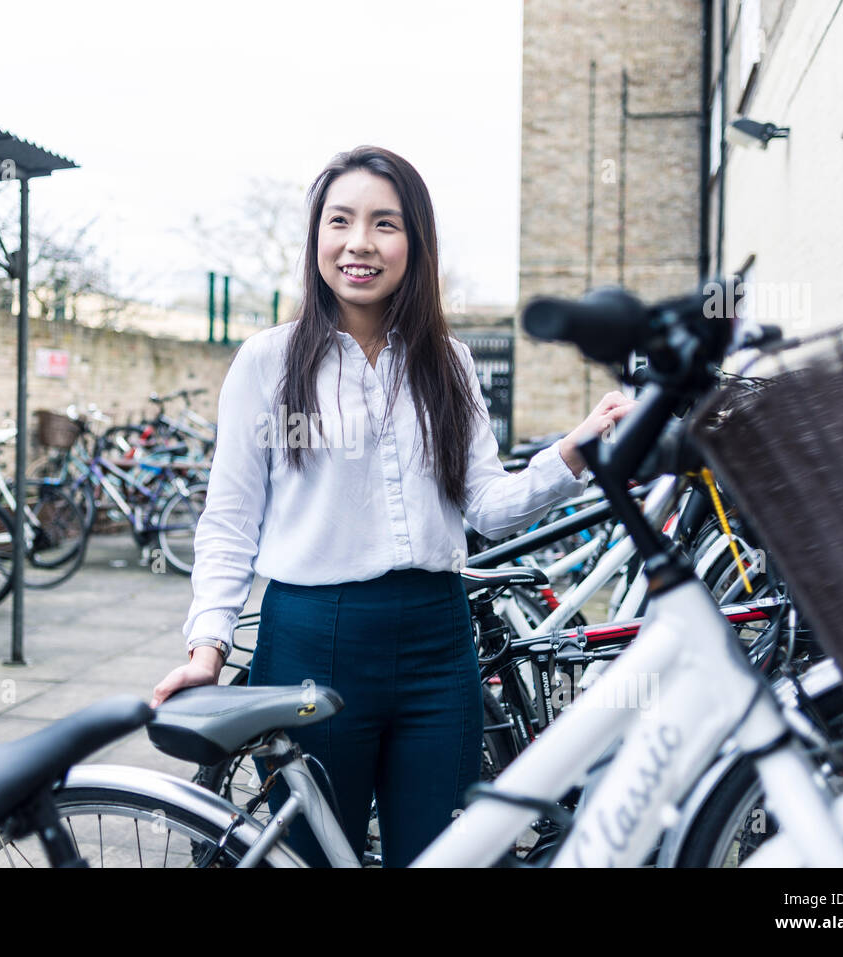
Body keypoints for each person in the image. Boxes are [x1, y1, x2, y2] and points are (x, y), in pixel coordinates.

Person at [151, 145, 635, 867]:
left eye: (385, 223)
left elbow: (488, 505)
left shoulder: (450, 363)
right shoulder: (268, 363)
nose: (359, 243)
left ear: (415, 242)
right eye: (340, 221)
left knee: (447, 854)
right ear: (317, 237)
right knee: (321, 856)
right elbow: (227, 523)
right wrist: (207, 646)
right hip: (312, 641)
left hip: (439, 643)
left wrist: (574, 452)